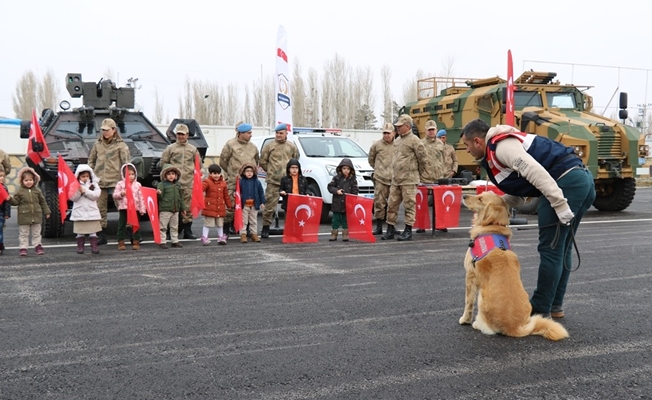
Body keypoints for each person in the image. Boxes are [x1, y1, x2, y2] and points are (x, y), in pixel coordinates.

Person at [461, 118, 596, 319]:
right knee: (562, 246)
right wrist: (498, 204)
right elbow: (520, 190)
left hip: (565, 183)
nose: (467, 150)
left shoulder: (502, 147)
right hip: (580, 180)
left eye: (467, 145)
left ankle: (541, 309)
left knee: (551, 250)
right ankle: (555, 305)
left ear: (478, 141)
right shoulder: (501, 146)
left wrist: (559, 203)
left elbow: (535, 171)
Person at [382, 114, 430, 241]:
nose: (397, 128)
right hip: (396, 179)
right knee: (392, 205)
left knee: (409, 205)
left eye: (400, 126)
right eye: (396, 126)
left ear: (407, 126)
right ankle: (390, 229)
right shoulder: (397, 141)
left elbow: (423, 159)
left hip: (409, 179)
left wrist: (417, 174)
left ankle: (408, 230)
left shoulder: (415, 141)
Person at [88, 118, 131, 245]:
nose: (105, 132)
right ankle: (101, 235)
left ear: (114, 130)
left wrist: (126, 182)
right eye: (103, 130)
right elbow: (91, 161)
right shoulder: (97, 144)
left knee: (123, 207)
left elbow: (126, 164)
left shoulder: (121, 146)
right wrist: (90, 175)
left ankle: (130, 231)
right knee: (100, 209)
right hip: (100, 182)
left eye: (107, 130)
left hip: (116, 182)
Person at [259, 123, 299, 238]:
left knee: (290, 206)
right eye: (277, 133)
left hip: (289, 182)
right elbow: (263, 161)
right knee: (270, 206)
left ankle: (290, 228)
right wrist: (271, 170)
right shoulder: (269, 146)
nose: (278, 135)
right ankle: (265, 228)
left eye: (281, 133)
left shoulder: (291, 147)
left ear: (286, 133)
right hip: (273, 181)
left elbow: (295, 160)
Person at [160, 123, 199, 239]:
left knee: (187, 207)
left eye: (183, 134)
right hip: (173, 184)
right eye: (178, 134)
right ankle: (169, 231)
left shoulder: (193, 149)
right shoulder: (170, 148)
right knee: (171, 207)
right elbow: (164, 164)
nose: (181, 136)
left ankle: (187, 230)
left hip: (188, 182)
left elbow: (198, 165)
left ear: (187, 135)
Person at [219, 123, 260, 236]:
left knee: (247, 205)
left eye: (251, 132)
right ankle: (226, 228)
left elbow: (256, 161)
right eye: (248, 133)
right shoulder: (230, 145)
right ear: (240, 133)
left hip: (249, 182)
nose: (250, 135)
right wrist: (231, 173)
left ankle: (243, 228)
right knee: (231, 205)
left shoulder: (253, 147)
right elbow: (223, 161)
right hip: (234, 181)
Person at [10, 167, 51, 256]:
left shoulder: (37, 190)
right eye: (26, 180)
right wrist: (10, 199)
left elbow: (42, 202)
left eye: (30, 180)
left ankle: (38, 246)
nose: (29, 182)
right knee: (23, 233)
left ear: (34, 180)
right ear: (22, 181)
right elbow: (16, 202)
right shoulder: (20, 191)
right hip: (24, 216)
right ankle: (23, 248)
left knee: (36, 233)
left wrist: (47, 211)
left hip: (36, 215)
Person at [417, 120, 446, 233]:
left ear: (436, 130)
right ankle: (422, 225)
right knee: (422, 205)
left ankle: (440, 224)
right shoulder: (420, 143)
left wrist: (444, 172)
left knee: (439, 204)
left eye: (433, 130)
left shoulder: (440, 143)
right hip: (425, 178)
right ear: (425, 130)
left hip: (438, 178)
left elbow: (443, 159)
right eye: (429, 130)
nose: (431, 132)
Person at [368, 123, 396, 235]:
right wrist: (379, 169)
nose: (386, 135)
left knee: (393, 204)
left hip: (394, 179)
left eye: (388, 133)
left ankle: (391, 227)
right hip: (380, 178)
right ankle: (379, 227)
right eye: (384, 133)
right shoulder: (377, 145)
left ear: (394, 133)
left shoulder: (398, 145)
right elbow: (371, 159)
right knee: (379, 203)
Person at [69, 164, 102, 255]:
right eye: (83, 176)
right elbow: (72, 198)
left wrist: (85, 191)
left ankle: (94, 246)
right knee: (80, 232)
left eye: (87, 176)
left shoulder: (94, 184)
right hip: (79, 212)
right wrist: (78, 191)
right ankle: (80, 247)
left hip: (92, 212)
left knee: (93, 231)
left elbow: (96, 195)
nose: (85, 178)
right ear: (78, 176)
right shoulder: (74, 185)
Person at [113, 163, 146, 250]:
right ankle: (121, 242)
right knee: (122, 225)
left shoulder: (138, 185)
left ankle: (136, 241)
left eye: (132, 174)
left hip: (135, 209)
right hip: (124, 208)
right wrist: (121, 193)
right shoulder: (120, 184)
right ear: (123, 175)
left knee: (136, 225)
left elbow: (141, 197)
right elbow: (115, 195)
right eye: (128, 174)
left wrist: (142, 209)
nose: (131, 176)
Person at [327, 158, 359, 242]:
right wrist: (336, 191)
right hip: (337, 203)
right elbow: (330, 187)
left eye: (348, 169)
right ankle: (334, 233)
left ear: (351, 170)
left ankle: (345, 233)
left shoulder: (353, 180)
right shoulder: (336, 178)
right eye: (344, 168)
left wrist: (353, 200)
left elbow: (355, 191)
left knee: (346, 220)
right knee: (335, 219)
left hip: (347, 204)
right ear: (340, 168)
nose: (346, 170)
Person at [200, 164, 232, 246]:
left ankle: (221, 237)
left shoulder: (223, 183)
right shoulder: (207, 182)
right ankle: (204, 237)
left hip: (220, 207)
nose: (216, 175)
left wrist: (229, 205)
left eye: (218, 173)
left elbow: (226, 196)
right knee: (208, 223)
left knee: (220, 224)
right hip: (209, 207)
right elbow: (201, 189)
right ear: (210, 174)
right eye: (214, 173)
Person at [157, 163, 186, 249]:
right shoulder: (161, 185)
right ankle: (162, 241)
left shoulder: (178, 185)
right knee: (163, 226)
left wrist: (183, 208)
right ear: (165, 176)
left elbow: (180, 198)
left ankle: (175, 241)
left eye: (173, 174)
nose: (171, 176)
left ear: (176, 175)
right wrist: (159, 193)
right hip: (165, 209)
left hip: (175, 210)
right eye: (169, 174)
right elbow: (160, 197)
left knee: (174, 226)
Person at [238, 163, 265, 243]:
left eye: (251, 171)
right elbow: (237, 192)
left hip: (254, 205)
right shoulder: (241, 182)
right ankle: (243, 234)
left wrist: (262, 202)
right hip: (244, 205)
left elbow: (261, 192)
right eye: (247, 171)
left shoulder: (257, 182)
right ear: (243, 172)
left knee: (253, 220)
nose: (249, 173)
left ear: (254, 172)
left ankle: (254, 234)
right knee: (244, 221)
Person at [0, 169, 11, 255]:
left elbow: (7, 202)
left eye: (3, 176)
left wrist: (7, 213)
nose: (2, 178)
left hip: (1, 213)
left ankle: (0, 246)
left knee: (0, 230)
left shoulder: (4, 188)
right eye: (0, 176)